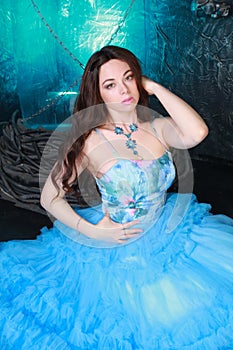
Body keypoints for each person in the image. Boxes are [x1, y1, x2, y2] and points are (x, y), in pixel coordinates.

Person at [0, 45, 232, 349]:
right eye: (110, 85)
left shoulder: (156, 127)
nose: (124, 89)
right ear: (98, 94)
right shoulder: (87, 140)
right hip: (118, 241)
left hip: (166, 230)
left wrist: (155, 87)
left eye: (129, 78)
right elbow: (49, 197)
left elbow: (197, 132)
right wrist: (93, 230)